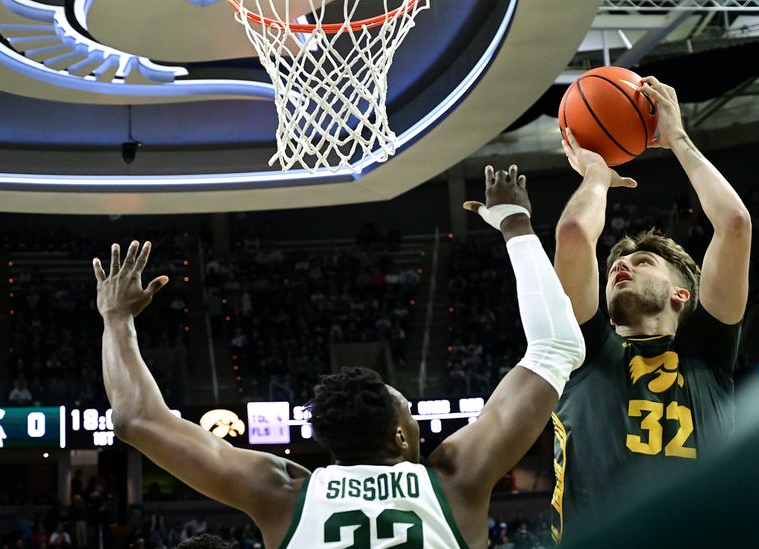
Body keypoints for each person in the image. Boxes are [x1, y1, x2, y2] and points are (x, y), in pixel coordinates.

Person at [92, 165, 585, 549]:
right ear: (397, 434)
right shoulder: (456, 479)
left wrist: (116, 319)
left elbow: (136, 418)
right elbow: (555, 347)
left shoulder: (282, 493)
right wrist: (516, 224)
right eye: (410, 416)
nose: (417, 427)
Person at [552, 76, 752, 542]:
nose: (621, 266)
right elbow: (574, 236)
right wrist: (597, 176)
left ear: (683, 295)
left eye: (642, 262)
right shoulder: (584, 351)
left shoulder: (709, 354)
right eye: (616, 266)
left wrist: (677, 139)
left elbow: (735, 223)